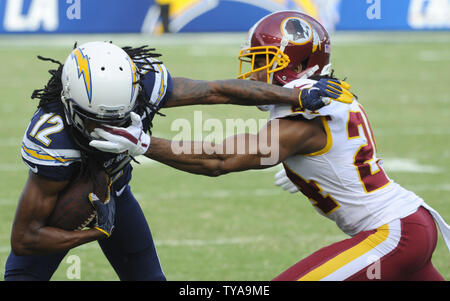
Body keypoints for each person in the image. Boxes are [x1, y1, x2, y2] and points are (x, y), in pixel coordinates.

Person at [91, 11, 450, 281]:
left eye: (265, 61)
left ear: (300, 61)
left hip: (395, 233)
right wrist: (312, 171)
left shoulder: (307, 115)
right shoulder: (323, 94)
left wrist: (143, 143)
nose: (257, 73)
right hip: (410, 226)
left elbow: (219, 160)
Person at [5, 40, 352, 281]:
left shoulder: (144, 84)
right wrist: (95, 232)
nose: (111, 125)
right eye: (99, 119)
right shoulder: (53, 140)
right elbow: (25, 239)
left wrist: (298, 95)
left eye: (119, 116)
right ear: (69, 102)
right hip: (63, 212)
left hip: (117, 192)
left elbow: (217, 90)